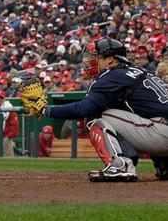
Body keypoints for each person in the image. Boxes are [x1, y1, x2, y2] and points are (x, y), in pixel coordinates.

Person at [27, 37, 168, 182]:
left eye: (97, 57)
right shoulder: (139, 70)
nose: (91, 61)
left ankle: (121, 165)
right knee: (131, 111)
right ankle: (165, 165)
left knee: (95, 115)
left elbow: (83, 109)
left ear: (111, 59)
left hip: (161, 132)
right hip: (160, 127)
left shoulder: (112, 75)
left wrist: (45, 109)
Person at [0, 90, 19, 157]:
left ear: (4, 98)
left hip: (5, 137)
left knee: (8, 159)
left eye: (1, 98)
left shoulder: (9, 108)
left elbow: (14, 126)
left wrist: (8, 137)